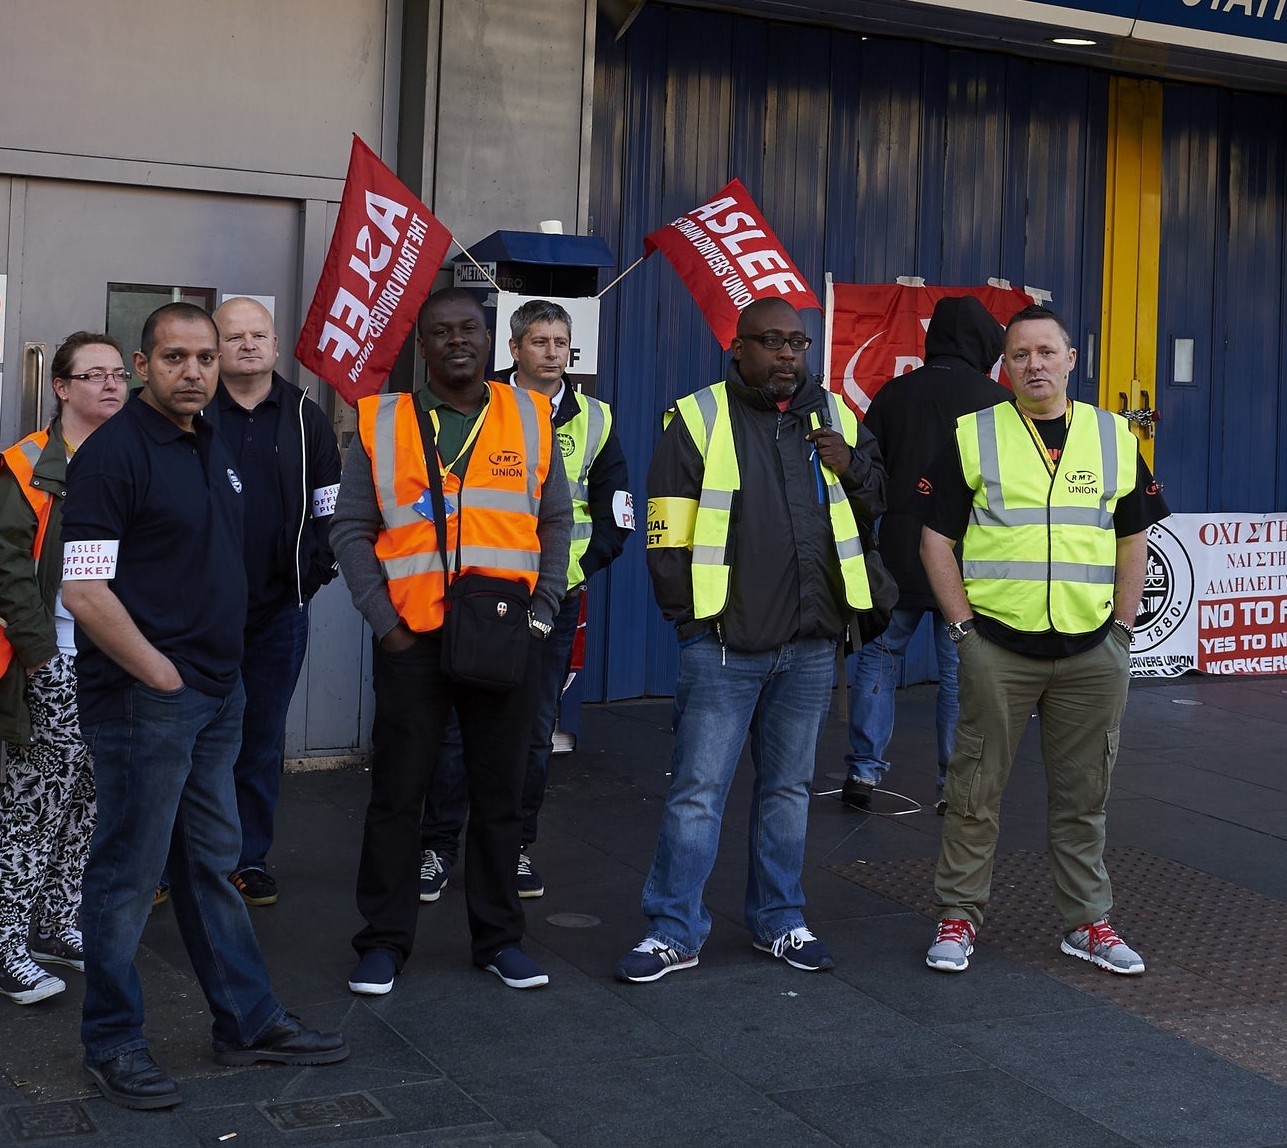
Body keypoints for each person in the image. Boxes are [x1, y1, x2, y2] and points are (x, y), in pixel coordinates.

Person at [60, 301, 346, 1111]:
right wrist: (157, 672)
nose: (193, 371)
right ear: (144, 365)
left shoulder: (211, 440)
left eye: (205, 358)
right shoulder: (113, 456)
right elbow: (82, 587)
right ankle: (112, 1042)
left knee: (209, 864)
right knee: (126, 875)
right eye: (174, 357)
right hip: (149, 699)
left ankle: (245, 1019)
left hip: (216, 692)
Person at [617, 296, 886, 983]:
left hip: (811, 641)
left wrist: (850, 464)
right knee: (697, 791)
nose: (788, 354)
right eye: (772, 341)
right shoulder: (698, 415)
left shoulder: (835, 416)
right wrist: (693, 622)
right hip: (725, 647)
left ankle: (779, 919)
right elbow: (666, 531)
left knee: (789, 789)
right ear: (739, 348)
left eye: (797, 341)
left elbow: (878, 498)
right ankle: (674, 929)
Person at [331, 287, 572, 997]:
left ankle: (499, 940)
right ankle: (382, 942)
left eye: (469, 328)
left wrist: (542, 612)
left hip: (506, 638)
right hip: (414, 641)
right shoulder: (382, 420)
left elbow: (555, 520)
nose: (456, 340)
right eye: (441, 332)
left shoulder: (528, 415)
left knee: (500, 795)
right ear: (422, 345)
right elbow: (349, 527)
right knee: (398, 797)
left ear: (490, 340)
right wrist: (386, 624)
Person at [915, 304, 1168, 978]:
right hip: (997, 646)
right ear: (1004, 364)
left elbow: (1133, 534)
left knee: (1085, 796)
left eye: (1046, 352)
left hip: (1091, 652)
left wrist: (1122, 625)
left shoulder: (1114, 436)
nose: (1034, 365)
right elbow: (935, 539)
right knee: (974, 791)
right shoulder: (975, 435)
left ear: (1071, 359)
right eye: (1020, 354)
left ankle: (1087, 922)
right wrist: (962, 628)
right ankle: (959, 915)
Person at [417, 297, 632, 904]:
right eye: (539, 341)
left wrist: (570, 574)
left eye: (561, 343)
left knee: (534, 733)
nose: (553, 352)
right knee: (458, 727)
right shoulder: (484, 406)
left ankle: (514, 849)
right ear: (513, 349)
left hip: (553, 602)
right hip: (480, 595)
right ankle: (437, 848)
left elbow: (617, 513)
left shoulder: (597, 419)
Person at [0, 332, 127, 1005]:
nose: (111, 386)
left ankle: (56, 925)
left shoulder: (130, 458)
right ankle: (8, 947)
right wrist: (46, 661)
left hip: (112, 664)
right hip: (53, 662)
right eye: (94, 375)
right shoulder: (22, 468)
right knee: (35, 809)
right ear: (61, 387)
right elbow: (6, 573)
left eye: (118, 374)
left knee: (87, 803)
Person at [843, 295, 1012, 814]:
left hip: (896, 556)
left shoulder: (894, 395)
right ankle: (949, 785)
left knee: (878, 660)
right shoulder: (998, 403)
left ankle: (862, 773)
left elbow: (868, 474)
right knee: (960, 676)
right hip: (964, 561)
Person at [211, 297, 342, 907]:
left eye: (257, 334)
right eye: (234, 335)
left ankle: (248, 859)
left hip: (277, 613)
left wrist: (311, 574)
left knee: (260, 739)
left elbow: (330, 507)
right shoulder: (191, 408)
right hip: (194, 616)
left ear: (274, 340)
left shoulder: (303, 417)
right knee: (184, 740)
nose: (247, 345)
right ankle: (170, 860)